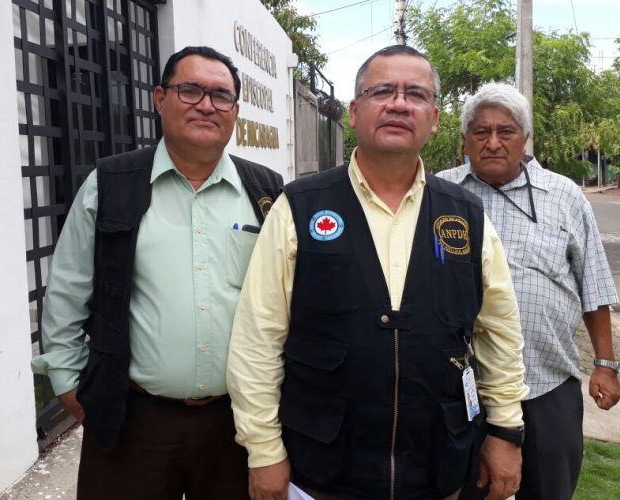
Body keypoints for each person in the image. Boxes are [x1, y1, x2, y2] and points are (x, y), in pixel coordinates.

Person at [226, 45, 529, 500]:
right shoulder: (300, 206)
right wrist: (263, 449)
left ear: (435, 117)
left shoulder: (466, 215)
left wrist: (506, 431)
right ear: (354, 111)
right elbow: (257, 338)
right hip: (321, 469)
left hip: (434, 467)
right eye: (382, 90)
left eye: (416, 94)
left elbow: (499, 332)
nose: (399, 103)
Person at [31, 46, 283, 500]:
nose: (206, 105)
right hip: (132, 420)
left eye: (221, 96)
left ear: (236, 112)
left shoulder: (266, 191)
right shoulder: (110, 184)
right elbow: (67, 293)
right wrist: (68, 386)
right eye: (190, 90)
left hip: (238, 424)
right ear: (159, 98)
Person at [436, 82, 620, 500]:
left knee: (548, 490)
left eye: (506, 131)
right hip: (460, 387)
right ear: (465, 140)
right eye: (481, 132)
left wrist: (606, 364)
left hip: (547, 384)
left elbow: (593, 282)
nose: (494, 142)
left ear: (525, 138)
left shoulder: (564, 196)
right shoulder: (440, 194)